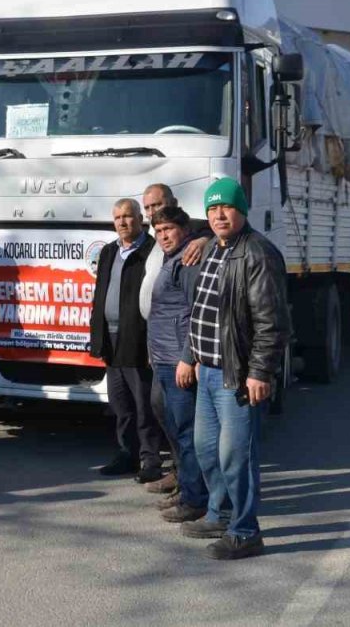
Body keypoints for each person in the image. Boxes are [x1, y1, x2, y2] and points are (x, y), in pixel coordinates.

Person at [178, 177, 291, 559]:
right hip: (207, 369)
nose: (218, 214)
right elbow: (201, 311)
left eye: (226, 207)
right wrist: (190, 354)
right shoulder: (212, 247)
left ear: (242, 210)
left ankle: (245, 532)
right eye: (211, 208)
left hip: (236, 375)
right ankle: (219, 512)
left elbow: (271, 321)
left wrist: (260, 372)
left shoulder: (258, 253)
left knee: (235, 455)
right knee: (206, 450)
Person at [138, 183, 211, 496]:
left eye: (168, 227)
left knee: (187, 429)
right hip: (162, 354)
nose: (162, 233)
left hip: (179, 358)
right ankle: (184, 481)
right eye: (157, 227)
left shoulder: (190, 255)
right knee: (169, 418)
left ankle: (194, 495)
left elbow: (197, 314)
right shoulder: (162, 251)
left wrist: (188, 357)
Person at [88, 198, 161, 482]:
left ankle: (150, 460)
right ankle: (126, 454)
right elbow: (100, 293)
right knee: (121, 404)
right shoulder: (108, 251)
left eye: (128, 216)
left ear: (140, 218)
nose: (122, 222)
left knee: (143, 404)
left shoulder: (151, 250)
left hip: (137, 338)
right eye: (117, 217)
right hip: (111, 339)